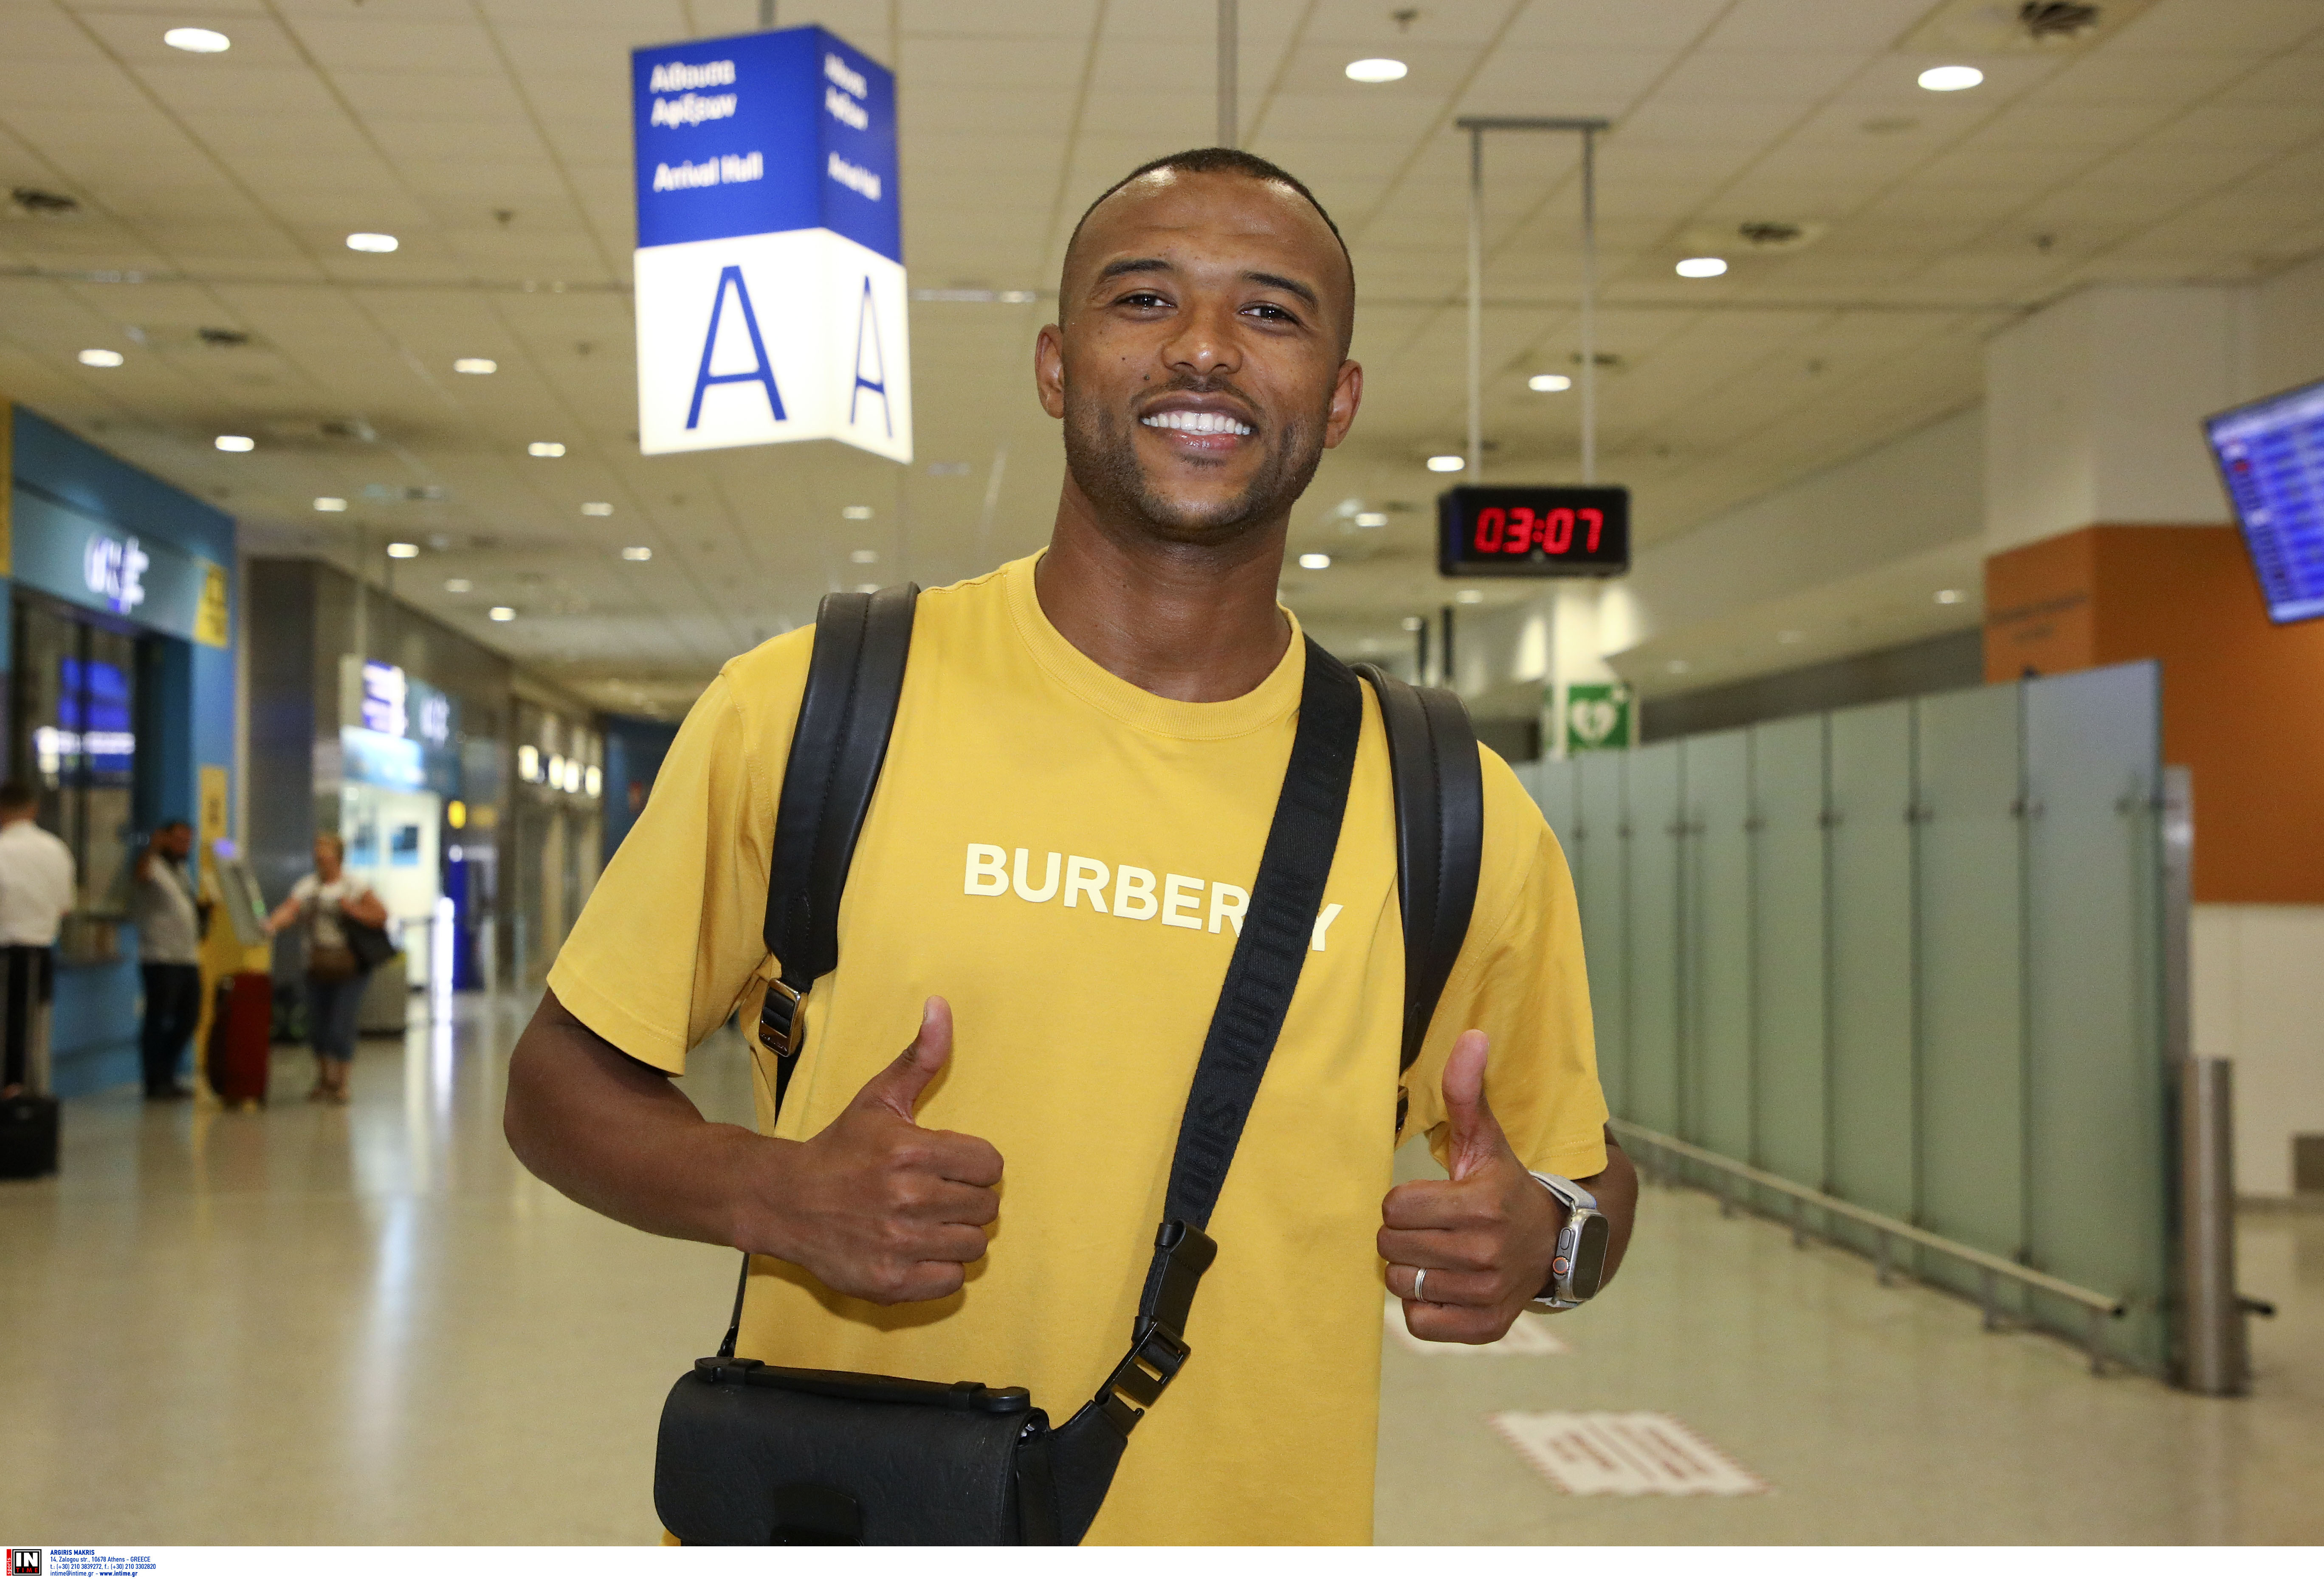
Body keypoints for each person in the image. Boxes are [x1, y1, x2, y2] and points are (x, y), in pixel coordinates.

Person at [502, 147, 1638, 1544]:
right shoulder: (811, 707)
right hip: (850, 1517)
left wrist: (1548, 1242)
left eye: (1271, 311)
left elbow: (1587, 1174)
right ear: (1056, 365)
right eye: (1144, 298)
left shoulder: (1449, 806)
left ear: (1339, 399)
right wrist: (771, 1189)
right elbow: (556, 1080)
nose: (1205, 348)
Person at [265, 834, 386, 1104]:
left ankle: (342, 1083)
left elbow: (381, 915)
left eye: (326, 851)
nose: (320, 856)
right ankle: (324, 1079)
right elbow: (290, 910)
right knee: (318, 1027)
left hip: (350, 968)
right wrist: (271, 925)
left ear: (339, 856)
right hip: (317, 967)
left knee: (341, 1025)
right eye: (318, 850)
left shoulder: (355, 886)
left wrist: (351, 910)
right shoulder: (308, 886)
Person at [0, 781, 74, 1102]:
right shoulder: (56, 849)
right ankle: (33, 1092)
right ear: (33, 809)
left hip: (7, 950)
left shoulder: (3, 848)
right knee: (35, 1024)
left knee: (8, 1024)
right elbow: (65, 906)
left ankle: (11, 1090)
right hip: (42, 951)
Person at [132, 819, 206, 1101]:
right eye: (178, 840)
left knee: (189, 1017)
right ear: (164, 839)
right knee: (158, 1018)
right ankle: (155, 1080)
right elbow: (140, 876)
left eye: (188, 842)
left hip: (187, 957)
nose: (184, 847)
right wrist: (153, 847)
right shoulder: (153, 866)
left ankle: (168, 1072)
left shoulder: (182, 871)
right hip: (160, 957)